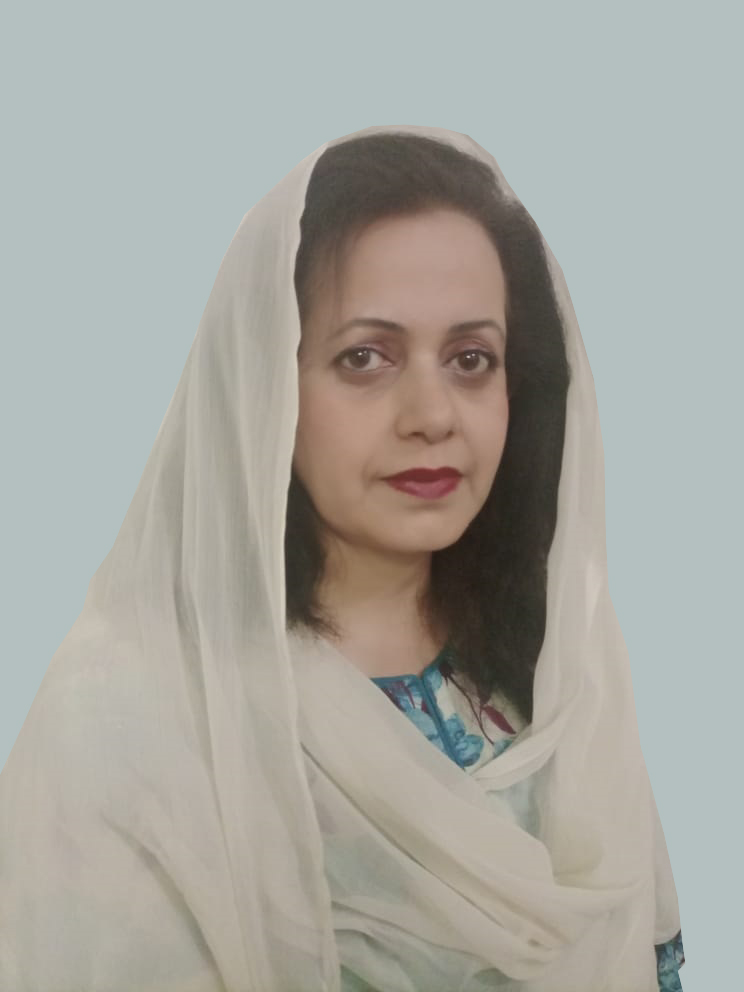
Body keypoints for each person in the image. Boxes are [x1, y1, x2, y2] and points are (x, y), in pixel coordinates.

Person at [0, 125, 684, 991]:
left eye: (472, 359)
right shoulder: (133, 716)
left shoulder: (554, 676)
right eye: (365, 357)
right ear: (264, 383)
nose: (432, 414)